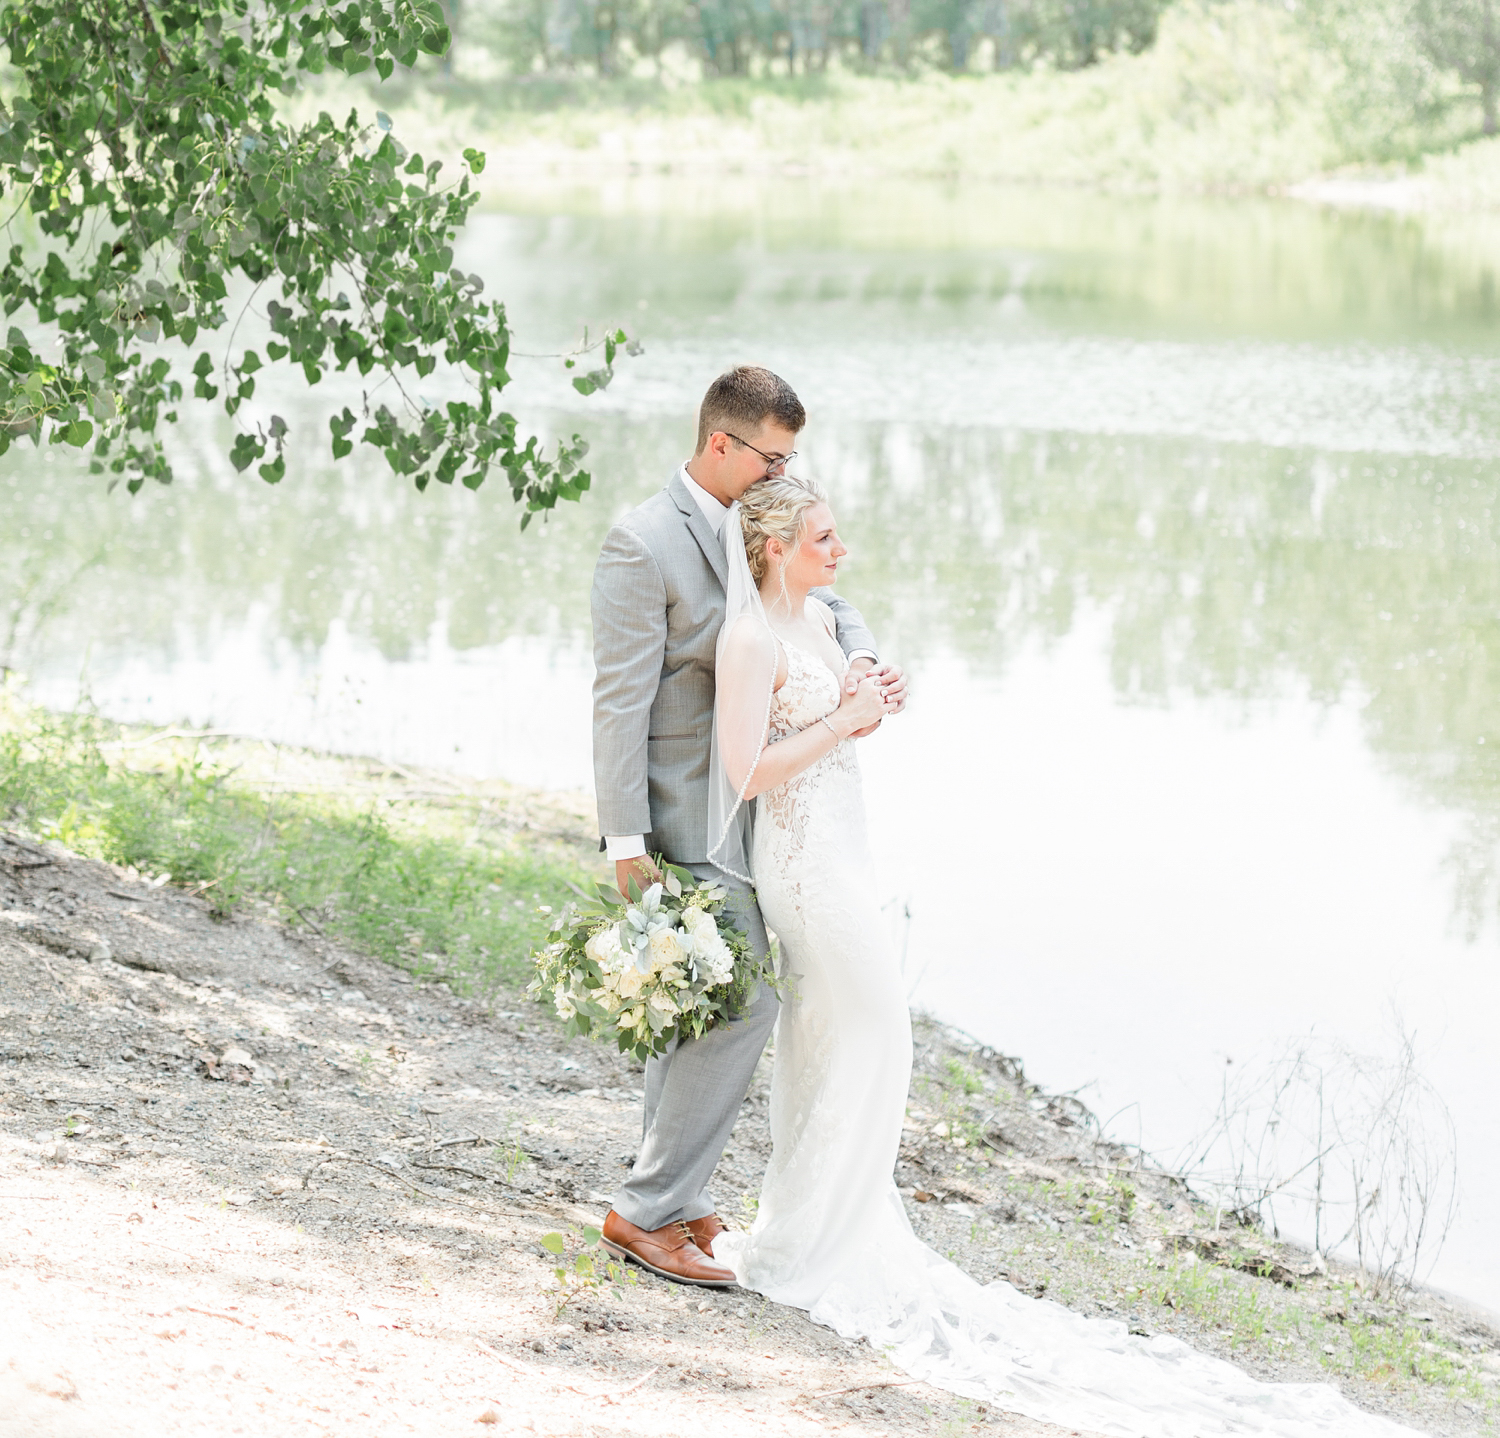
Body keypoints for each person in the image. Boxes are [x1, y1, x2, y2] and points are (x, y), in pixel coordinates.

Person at [706, 474, 1423, 1438]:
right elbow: (745, 770)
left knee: (837, 1035)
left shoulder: (825, 618)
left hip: (844, 839)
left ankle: (818, 1228)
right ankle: (818, 1237)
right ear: (776, 547)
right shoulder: (749, 639)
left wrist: (873, 689)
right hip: (798, 859)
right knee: (876, 1033)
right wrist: (842, 721)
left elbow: (851, 678)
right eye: (825, 538)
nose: (841, 550)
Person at [589, 365, 907, 1287]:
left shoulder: (757, 516)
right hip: (691, 811)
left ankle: (678, 1202)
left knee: (701, 1003)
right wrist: (625, 843)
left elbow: (828, 600)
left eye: (792, 458)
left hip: (775, 812)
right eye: (772, 455)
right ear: (721, 443)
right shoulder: (642, 543)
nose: (782, 473)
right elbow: (617, 704)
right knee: (744, 1001)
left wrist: (866, 662)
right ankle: (646, 1211)